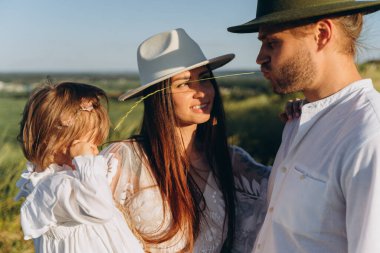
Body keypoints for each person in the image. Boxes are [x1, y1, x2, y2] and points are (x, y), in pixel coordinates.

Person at [228, 0, 380, 252]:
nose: (259, 58)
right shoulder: (296, 121)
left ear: (321, 34)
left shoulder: (368, 136)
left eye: (272, 43)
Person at [101, 28, 271, 252]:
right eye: (183, 84)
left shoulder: (230, 161)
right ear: (158, 96)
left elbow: (296, 189)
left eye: (204, 79)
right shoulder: (123, 159)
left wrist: (299, 123)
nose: (201, 92)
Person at [15, 82, 144, 253]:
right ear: (54, 143)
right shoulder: (53, 188)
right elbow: (100, 209)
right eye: (87, 143)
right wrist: (86, 162)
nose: (94, 151)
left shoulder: (73, 178)